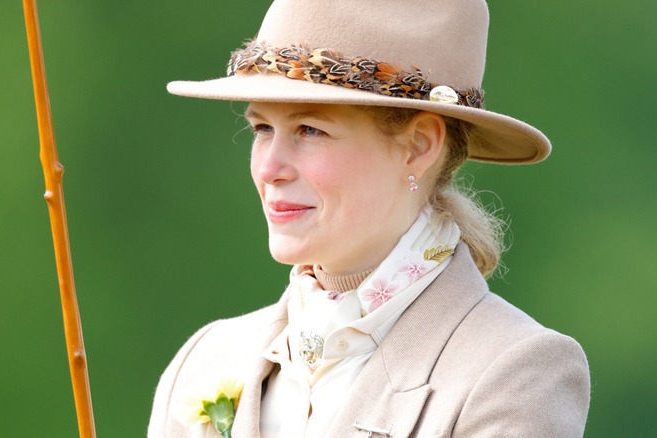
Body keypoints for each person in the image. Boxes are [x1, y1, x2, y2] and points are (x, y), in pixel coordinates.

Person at [149, 0, 591, 436]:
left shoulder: (514, 371)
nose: (269, 170)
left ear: (418, 146)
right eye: (262, 128)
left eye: (310, 130)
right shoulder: (205, 360)